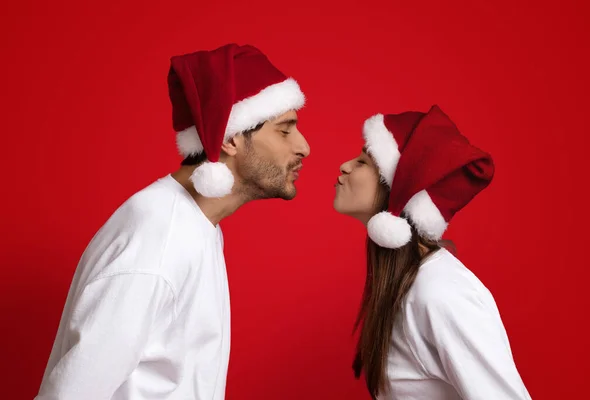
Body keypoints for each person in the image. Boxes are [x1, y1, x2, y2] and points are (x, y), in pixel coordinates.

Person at [35, 43, 310, 400]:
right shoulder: (159, 235)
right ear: (230, 139)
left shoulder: (193, 224)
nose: (303, 146)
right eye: (285, 129)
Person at [333, 105, 531, 399]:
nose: (345, 166)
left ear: (400, 189)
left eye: (363, 161)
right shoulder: (410, 286)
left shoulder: (440, 293)